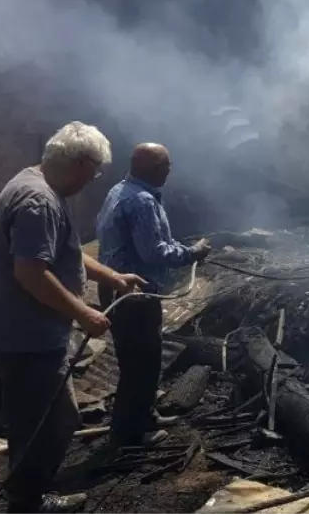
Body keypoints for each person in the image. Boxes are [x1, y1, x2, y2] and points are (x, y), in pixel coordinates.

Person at [0, 122, 145, 514]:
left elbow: (62, 250)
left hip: (19, 331)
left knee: (39, 419)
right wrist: (83, 312)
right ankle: (28, 502)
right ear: (80, 163)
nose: (94, 179)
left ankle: (27, 494)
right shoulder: (39, 201)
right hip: (24, 338)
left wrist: (111, 276)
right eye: (95, 170)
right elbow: (31, 272)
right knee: (48, 423)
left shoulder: (39, 183)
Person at [95, 143, 211, 449]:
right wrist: (192, 253)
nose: (170, 170)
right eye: (166, 166)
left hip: (119, 289)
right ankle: (129, 434)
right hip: (133, 294)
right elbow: (153, 252)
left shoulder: (120, 190)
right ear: (153, 169)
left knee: (143, 358)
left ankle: (145, 416)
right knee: (139, 364)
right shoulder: (143, 201)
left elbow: (151, 239)